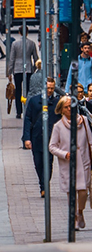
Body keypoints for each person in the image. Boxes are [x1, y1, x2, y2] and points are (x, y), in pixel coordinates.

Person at [49, 97, 92, 229]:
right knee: (71, 192)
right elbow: (52, 146)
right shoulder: (58, 127)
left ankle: (80, 211)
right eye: (67, 107)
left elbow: (90, 141)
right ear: (61, 110)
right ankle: (73, 217)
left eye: (71, 106)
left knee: (83, 191)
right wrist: (64, 154)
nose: (70, 109)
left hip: (84, 162)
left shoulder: (83, 121)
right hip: (68, 164)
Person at [24, 78, 60, 197]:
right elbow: (28, 119)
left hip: (50, 139)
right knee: (38, 163)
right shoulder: (34, 101)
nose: (50, 91)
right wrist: (27, 138)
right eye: (48, 88)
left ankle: (45, 186)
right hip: (37, 137)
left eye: (52, 88)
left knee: (49, 162)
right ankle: (42, 184)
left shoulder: (56, 103)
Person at [7, 28, 39, 119]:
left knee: (18, 91)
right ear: (27, 32)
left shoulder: (15, 44)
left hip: (17, 70)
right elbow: (36, 58)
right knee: (29, 91)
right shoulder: (32, 43)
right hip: (28, 69)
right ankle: (28, 109)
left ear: (19, 32)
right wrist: (33, 68)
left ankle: (18, 112)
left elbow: (12, 59)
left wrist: (9, 72)